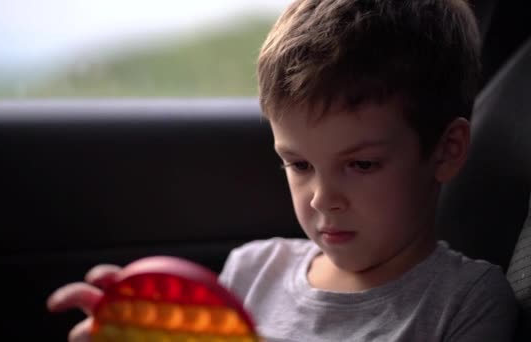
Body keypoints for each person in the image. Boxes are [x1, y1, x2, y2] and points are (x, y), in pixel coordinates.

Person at [47, 0, 519, 340]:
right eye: (299, 164)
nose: (320, 197)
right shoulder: (253, 271)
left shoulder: (468, 301)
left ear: (446, 151)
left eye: (361, 164)